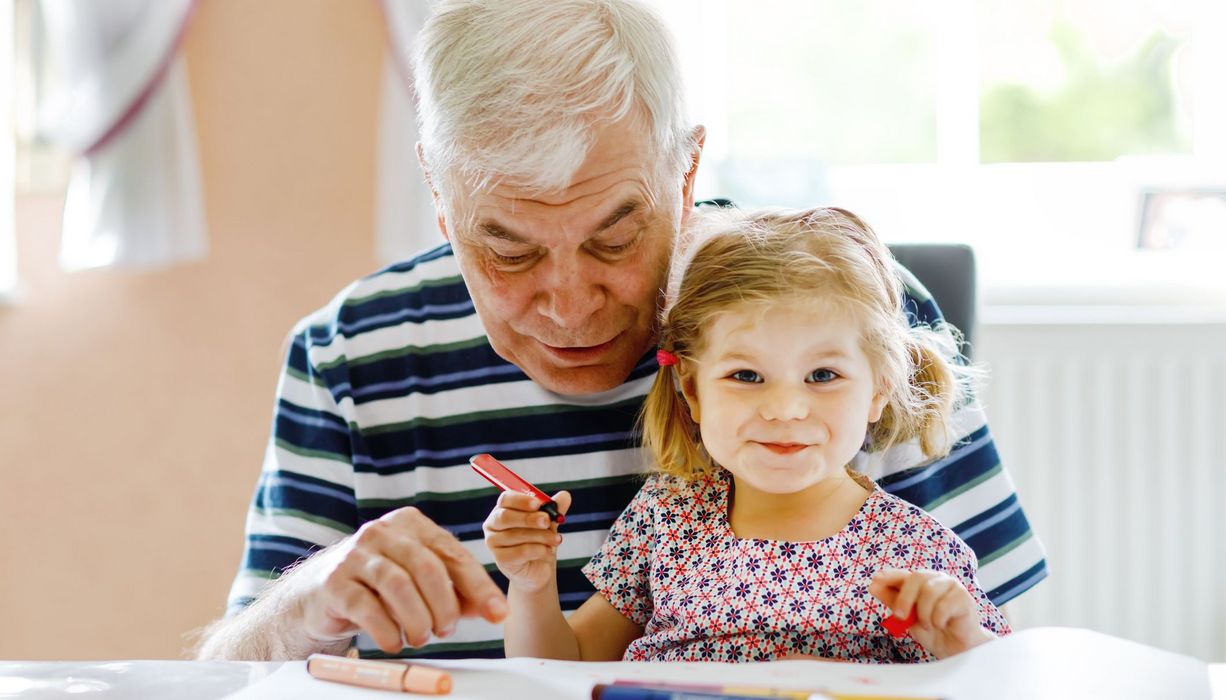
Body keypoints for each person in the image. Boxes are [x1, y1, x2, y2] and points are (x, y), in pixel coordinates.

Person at [196, 0, 1045, 661]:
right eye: (508, 249)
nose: (570, 305)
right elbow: (230, 675)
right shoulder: (350, 356)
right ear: (439, 194)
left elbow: (1005, 657)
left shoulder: (846, 314)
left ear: (686, 172)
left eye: (615, 237)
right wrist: (304, 604)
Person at [486, 207, 1010, 663]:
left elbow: (1004, 678)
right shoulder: (668, 516)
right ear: (692, 389)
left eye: (823, 376)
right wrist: (532, 586)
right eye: (746, 376)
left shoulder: (914, 550)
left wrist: (963, 644)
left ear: (878, 391)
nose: (784, 408)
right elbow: (558, 668)